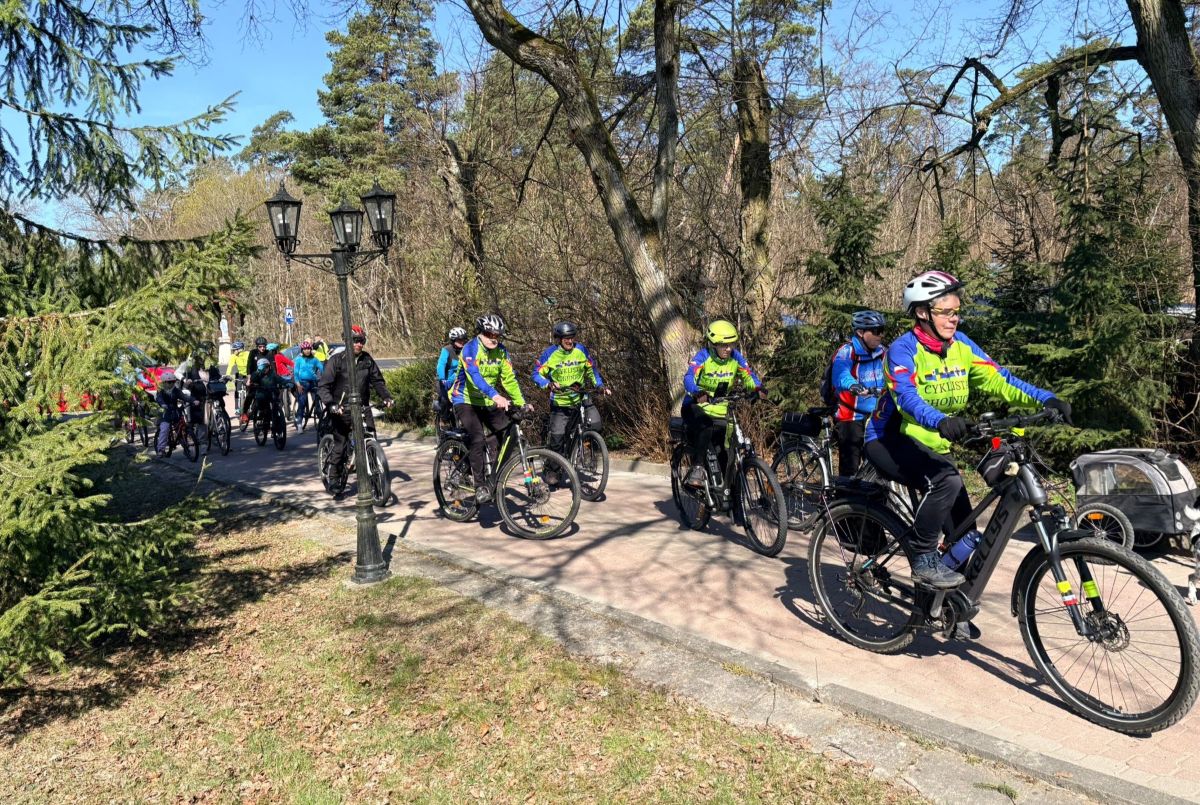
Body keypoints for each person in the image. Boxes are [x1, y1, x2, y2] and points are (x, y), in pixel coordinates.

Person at [864, 270, 1072, 589]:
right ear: (922, 313)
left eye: (957, 311)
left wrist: (1046, 399)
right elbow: (906, 398)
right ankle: (922, 557)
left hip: (934, 444)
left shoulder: (961, 346)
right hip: (889, 439)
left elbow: (1000, 380)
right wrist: (940, 420)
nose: (954, 318)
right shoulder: (902, 350)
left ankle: (936, 603)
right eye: (946, 311)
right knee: (946, 481)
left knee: (965, 535)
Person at [449, 314, 528, 504]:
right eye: (489, 334)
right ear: (480, 333)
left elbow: (509, 379)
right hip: (465, 399)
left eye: (497, 335)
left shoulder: (501, 351)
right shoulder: (470, 349)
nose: (493, 338)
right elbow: (474, 377)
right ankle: (479, 486)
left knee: (507, 432)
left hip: (486, 400)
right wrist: (495, 395)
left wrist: (522, 402)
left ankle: (493, 471)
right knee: (477, 438)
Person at [681, 320, 766, 488]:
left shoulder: (735, 357)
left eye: (731, 344)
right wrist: (697, 391)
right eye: (723, 345)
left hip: (721, 409)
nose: (728, 348)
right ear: (713, 344)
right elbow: (689, 377)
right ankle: (697, 468)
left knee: (725, 454)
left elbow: (748, 375)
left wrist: (758, 388)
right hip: (695, 406)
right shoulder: (703, 356)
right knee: (705, 426)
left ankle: (726, 494)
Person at [317, 325, 395, 486]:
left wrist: (386, 397)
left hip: (362, 407)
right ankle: (334, 476)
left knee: (371, 437)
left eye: (362, 341)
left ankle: (373, 477)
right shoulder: (336, 360)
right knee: (341, 444)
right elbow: (323, 386)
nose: (359, 344)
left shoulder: (367, 360)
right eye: (356, 341)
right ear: (347, 341)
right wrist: (331, 404)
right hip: (340, 409)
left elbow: (377, 381)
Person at [532, 320, 610, 458]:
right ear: (559, 339)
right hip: (560, 403)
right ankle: (554, 467)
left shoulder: (581, 350)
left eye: (572, 338)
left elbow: (592, 370)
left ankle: (583, 451)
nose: (570, 341)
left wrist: (600, 386)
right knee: (557, 442)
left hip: (580, 398)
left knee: (596, 424)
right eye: (566, 339)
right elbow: (536, 374)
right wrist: (549, 384)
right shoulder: (550, 354)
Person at [828, 311, 887, 476]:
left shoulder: (882, 352)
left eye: (882, 330)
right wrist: (853, 385)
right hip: (850, 415)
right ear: (860, 332)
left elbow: (894, 372)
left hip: (875, 414)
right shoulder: (847, 352)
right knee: (850, 466)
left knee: (877, 463)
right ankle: (844, 492)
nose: (880, 335)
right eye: (876, 331)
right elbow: (841, 375)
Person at [435, 327, 468, 429]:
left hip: (460, 381)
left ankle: (466, 423)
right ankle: (444, 420)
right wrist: (442, 378)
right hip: (446, 381)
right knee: (445, 400)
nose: (462, 342)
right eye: (459, 340)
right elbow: (441, 365)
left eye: (463, 340)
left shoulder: (466, 350)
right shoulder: (447, 350)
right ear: (453, 340)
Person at [292, 340, 324, 430]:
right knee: (302, 402)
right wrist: (298, 385)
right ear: (302, 350)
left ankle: (321, 421)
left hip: (313, 382)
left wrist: (324, 377)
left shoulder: (314, 359)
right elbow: (295, 373)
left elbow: (322, 368)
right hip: (302, 383)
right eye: (305, 349)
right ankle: (299, 423)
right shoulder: (299, 360)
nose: (307, 350)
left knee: (317, 401)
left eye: (309, 349)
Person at [243, 356, 281, 429]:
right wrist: (249, 382)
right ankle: (245, 412)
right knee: (250, 395)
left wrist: (286, 382)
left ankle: (274, 417)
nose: (265, 369)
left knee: (275, 399)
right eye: (263, 367)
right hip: (258, 389)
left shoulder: (272, 373)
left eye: (267, 367)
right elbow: (251, 378)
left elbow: (278, 378)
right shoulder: (256, 373)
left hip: (268, 390)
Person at [154, 370, 185, 456]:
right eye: (169, 382)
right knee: (165, 429)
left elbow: (184, 396)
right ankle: (161, 449)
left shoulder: (175, 390)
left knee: (181, 428)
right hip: (165, 413)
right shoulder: (160, 390)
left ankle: (185, 447)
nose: (171, 383)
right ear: (164, 383)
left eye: (173, 382)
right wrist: (163, 404)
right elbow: (159, 398)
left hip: (174, 412)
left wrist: (193, 401)